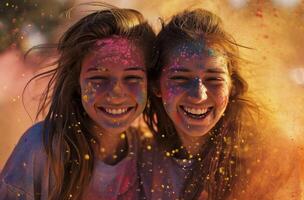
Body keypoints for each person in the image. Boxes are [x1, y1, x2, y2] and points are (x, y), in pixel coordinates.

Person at [141, 9, 301, 200]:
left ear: (232, 86)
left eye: (214, 79)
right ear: (156, 85)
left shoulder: (267, 161)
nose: (199, 95)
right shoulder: (143, 158)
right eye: (180, 78)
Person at [0, 5, 155, 200]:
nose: (116, 93)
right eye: (98, 78)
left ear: (151, 82)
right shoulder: (42, 147)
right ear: (77, 82)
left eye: (132, 77)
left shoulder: (150, 152)